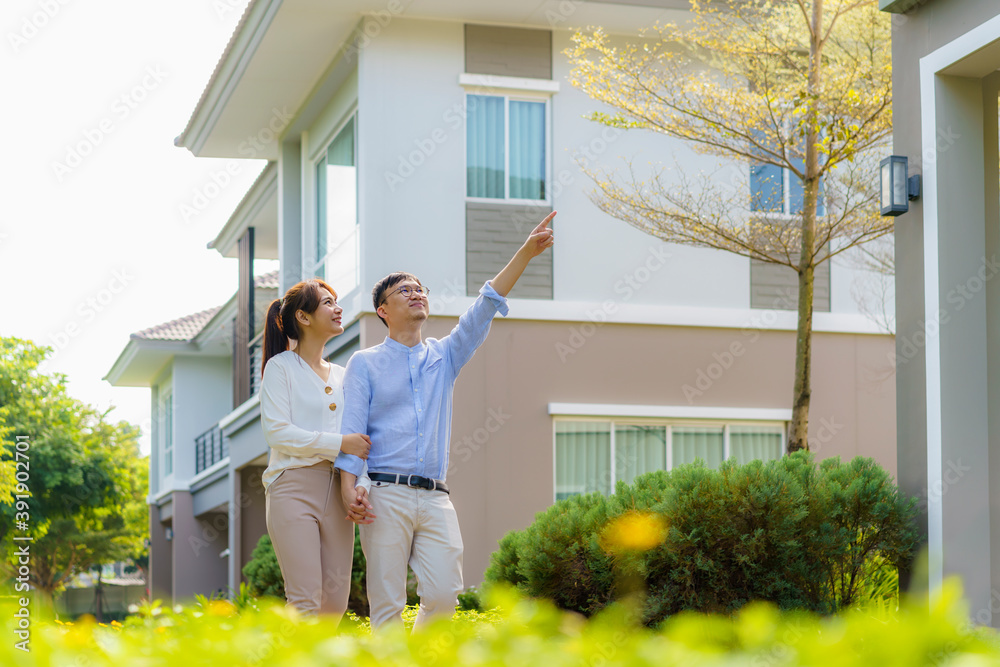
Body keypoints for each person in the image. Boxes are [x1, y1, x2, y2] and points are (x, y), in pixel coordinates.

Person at [336, 212, 556, 629]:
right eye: (406, 291)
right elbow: (353, 434)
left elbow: (484, 307)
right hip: (384, 494)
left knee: (442, 596)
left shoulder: (444, 355)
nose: (417, 294)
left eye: (421, 289)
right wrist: (351, 489)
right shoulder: (365, 363)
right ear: (383, 310)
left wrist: (526, 252)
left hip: (436, 497)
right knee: (386, 604)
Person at [259, 278, 373, 620]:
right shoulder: (280, 368)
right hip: (291, 487)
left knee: (334, 607)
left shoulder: (344, 375)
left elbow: (362, 441)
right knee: (306, 602)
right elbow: (278, 433)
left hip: (339, 490)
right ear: (304, 318)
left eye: (336, 301)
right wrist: (339, 444)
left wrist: (360, 487)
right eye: (327, 302)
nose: (338, 308)